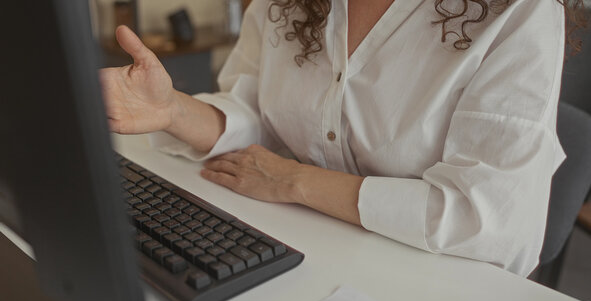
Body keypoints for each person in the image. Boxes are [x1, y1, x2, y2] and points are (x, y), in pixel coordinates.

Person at [100, 0, 578, 277]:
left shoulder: (520, 12)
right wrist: (171, 110)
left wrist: (296, 181)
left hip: (437, 278)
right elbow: (257, 112)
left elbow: (491, 221)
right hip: (310, 254)